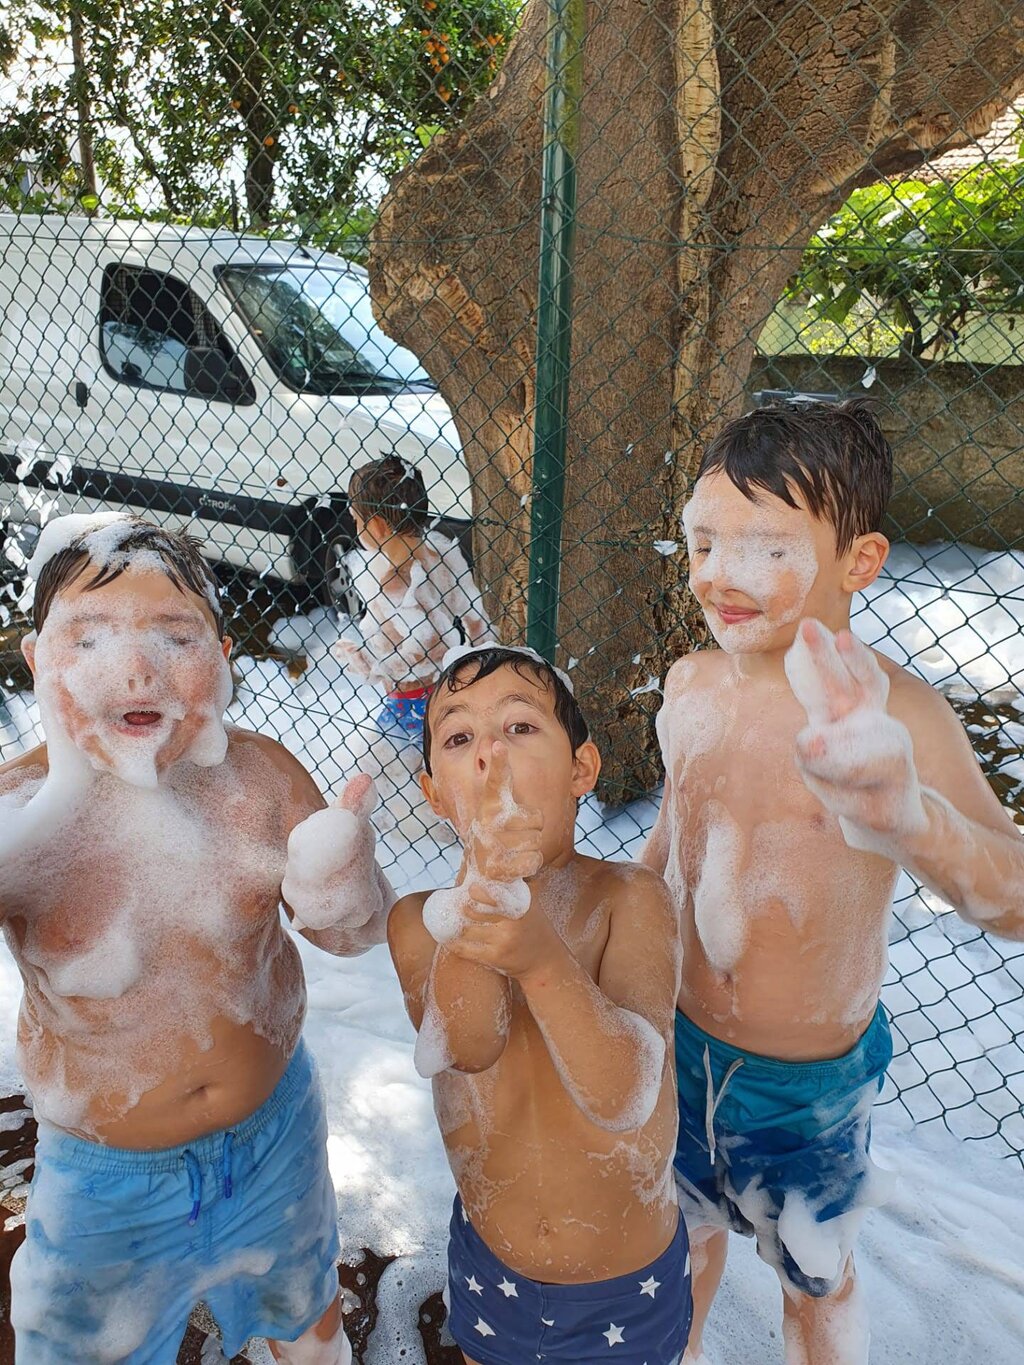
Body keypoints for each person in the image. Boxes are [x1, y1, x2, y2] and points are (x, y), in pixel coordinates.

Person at [643, 401, 1024, 1365]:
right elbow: (667, 851)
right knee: (677, 1238)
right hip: (680, 1042)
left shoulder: (900, 717)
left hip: (806, 1084)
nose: (718, 574)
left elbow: (1014, 896)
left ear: (858, 561)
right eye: (704, 539)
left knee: (814, 1274)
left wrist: (907, 814)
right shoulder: (690, 685)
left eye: (765, 547)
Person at [0, 513, 393, 1365]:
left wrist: (344, 883)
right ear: (37, 660)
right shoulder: (20, 824)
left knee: (306, 1317)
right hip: (106, 1184)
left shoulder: (259, 779)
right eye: (90, 638)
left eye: (174, 636)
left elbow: (347, 931)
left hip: (274, 1134)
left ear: (219, 654)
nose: (137, 667)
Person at [388, 644, 692, 1365]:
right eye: (460, 737)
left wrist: (541, 958)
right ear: (435, 792)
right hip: (491, 1265)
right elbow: (467, 1042)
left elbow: (622, 1093)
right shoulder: (415, 922)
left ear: (582, 769)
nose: (490, 751)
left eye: (519, 727)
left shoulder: (629, 899)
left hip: (626, 1285)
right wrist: (484, 877)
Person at [333, 454, 492, 742]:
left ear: (378, 526)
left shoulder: (396, 581)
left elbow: (431, 642)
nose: (356, 529)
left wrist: (371, 665)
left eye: (357, 520)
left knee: (376, 770)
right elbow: (475, 621)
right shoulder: (440, 553)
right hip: (442, 691)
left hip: (410, 706)